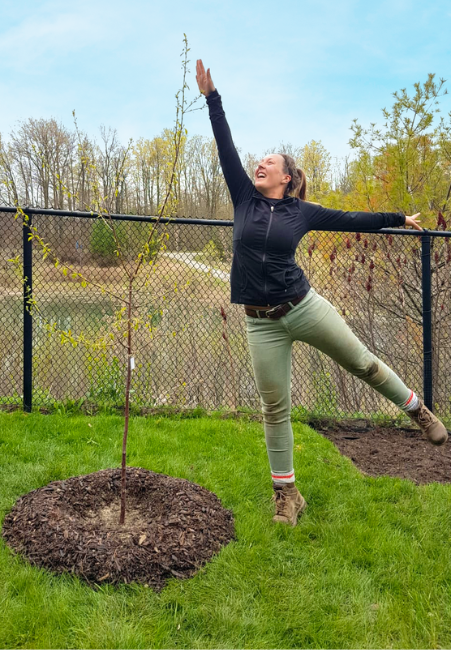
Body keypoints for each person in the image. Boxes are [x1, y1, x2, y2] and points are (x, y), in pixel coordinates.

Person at [195, 59, 449, 526]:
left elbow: (351, 219)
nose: (260, 163)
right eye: (261, 161)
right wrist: (213, 98)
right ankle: (287, 496)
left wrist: (397, 217)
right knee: (274, 408)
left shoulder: (301, 212)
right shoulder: (243, 198)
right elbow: (224, 146)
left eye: (269, 162)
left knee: (363, 363)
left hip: (304, 307)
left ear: (286, 177)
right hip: (260, 323)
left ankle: (417, 410)